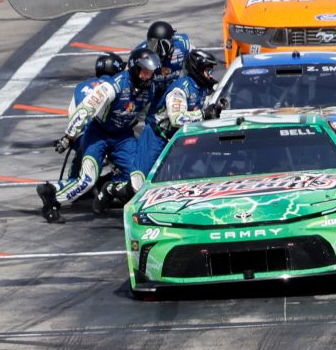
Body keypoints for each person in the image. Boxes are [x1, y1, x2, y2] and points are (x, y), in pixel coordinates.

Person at [36, 49, 161, 222]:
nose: (149, 77)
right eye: (145, 72)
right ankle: (51, 195)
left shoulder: (151, 88)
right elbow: (87, 109)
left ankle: (108, 190)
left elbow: (148, 114)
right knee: (87, 179)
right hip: (98, 134)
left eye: (151, 73)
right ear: (134, 68)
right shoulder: (113, 86)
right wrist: (68, 137)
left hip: (123, 137)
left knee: (139, 176)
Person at [115, 49, 222, 208]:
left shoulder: (203, 88)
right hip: (157, 137)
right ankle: (111, 189)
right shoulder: (180, 89)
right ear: (198, 69)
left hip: (179, 141)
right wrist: (204, 114)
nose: (210, 74)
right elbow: (177, 119)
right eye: (208, 70)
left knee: (177, 180)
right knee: (140, 183)